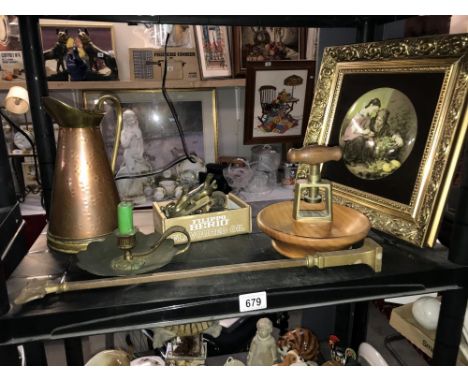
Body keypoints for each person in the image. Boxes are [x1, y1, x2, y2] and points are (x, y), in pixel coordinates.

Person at [116, 109, 153, 202]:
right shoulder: (124, 132)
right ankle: (127, 194)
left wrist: (139, 154)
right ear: (126, 121)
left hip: (138, 155)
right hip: (129, 155)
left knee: (141, 172)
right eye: (130, 119)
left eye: (134, 118)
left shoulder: (137, 130)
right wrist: (129, 136)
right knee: (131, 173)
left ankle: (137, 193)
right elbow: (124, 144)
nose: (132, 120)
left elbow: (140, 144)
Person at [342, 98, 381, 164]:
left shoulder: (368, 116)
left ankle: (365, 159)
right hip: (351, 134)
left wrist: (369, 131)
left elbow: (366, 127)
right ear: (371, 105)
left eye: (375, 111)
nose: (374, 112)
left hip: (359, 133)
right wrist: (363, 132)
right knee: (360, 139)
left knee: (371, 139)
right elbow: (353, 129)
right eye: (374, 110)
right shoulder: (360, 114)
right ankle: (349, 158)